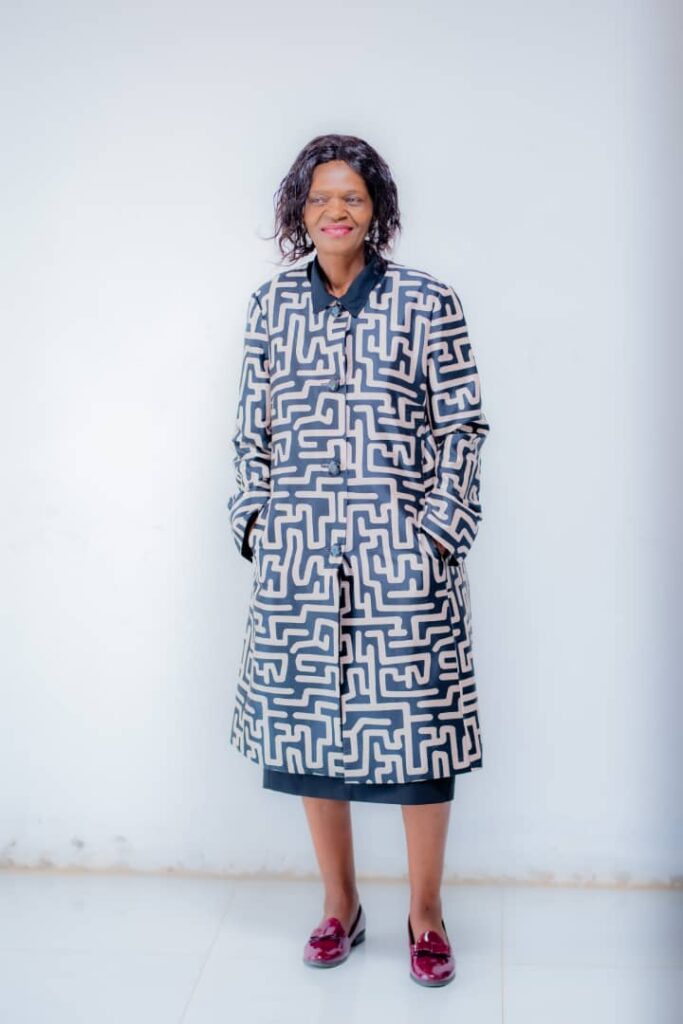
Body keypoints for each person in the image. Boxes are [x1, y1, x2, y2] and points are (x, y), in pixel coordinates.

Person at [226, 133, 490, 987]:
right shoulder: (271, 306)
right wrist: (257, 522)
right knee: (310, 736)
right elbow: (251, 429)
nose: (333, 211)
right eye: (318, 197)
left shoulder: (427, 301)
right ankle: (339, 906)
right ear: (297, 212)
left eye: (351, 197)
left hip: (399, 559)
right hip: (299, 558)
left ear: (376, 209)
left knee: (417, 741)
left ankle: (426, 914)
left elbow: (462, 427)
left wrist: (437, 537)